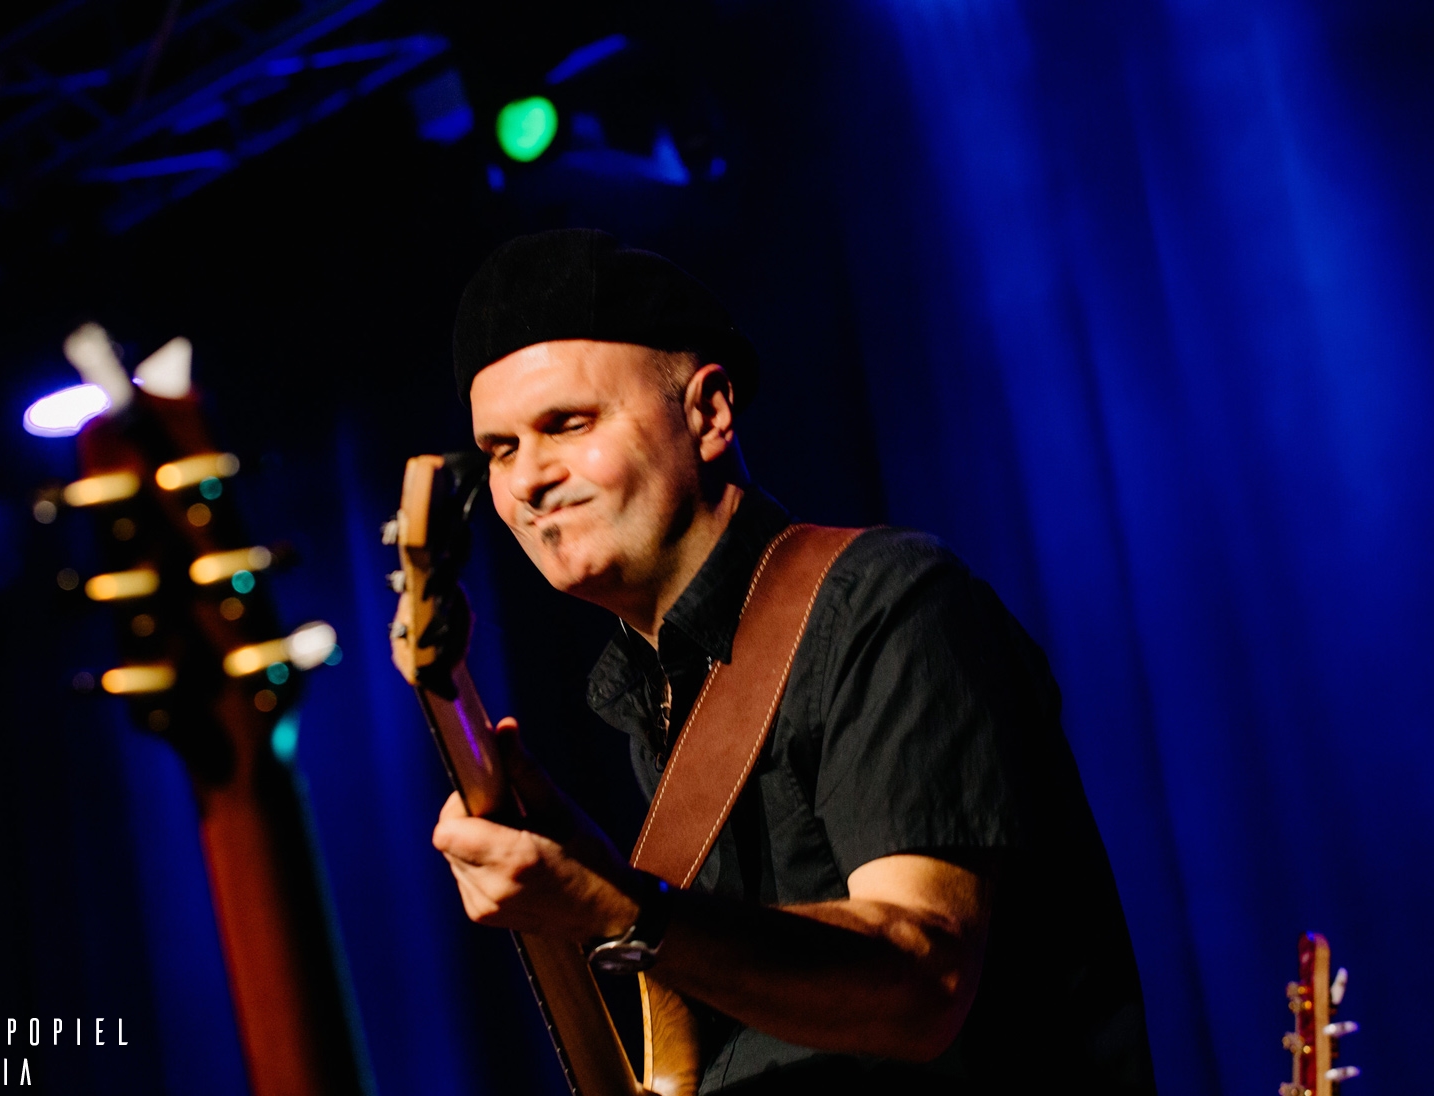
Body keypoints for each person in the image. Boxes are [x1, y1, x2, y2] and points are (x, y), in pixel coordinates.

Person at [430, 228, 1155, 1093]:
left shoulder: (888, 604)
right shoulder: (657, 690)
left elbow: (924, 982)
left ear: (709, 412)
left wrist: (627, 909)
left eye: (567, 424)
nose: (527, 480)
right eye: (501, 449)